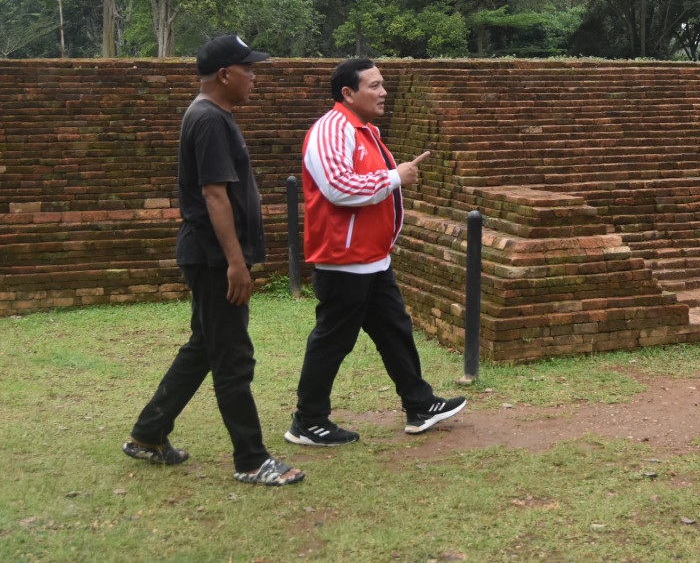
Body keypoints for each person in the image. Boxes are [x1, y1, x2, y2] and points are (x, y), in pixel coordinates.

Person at [122, 35, 304, 487]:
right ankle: (251, 459)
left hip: (208, 255)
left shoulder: (212, 116)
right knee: (233, 357)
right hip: (212, 258)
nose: (254, 77)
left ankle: (148, 434)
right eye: (248, 69)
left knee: (205, 345)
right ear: (225, 74)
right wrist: (235, 262)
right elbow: (213, 194)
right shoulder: (208, 120)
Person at [285, 58, 466, 447]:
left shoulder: (365, 130)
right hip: (343, 259)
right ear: (348, 93)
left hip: (371, 258)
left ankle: (419, 405)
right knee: (333, 340)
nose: (384, 92)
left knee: (394, 331)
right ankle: (308, 420)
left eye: (383, 84)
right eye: (374, 85)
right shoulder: (331, 129)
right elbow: (338, 187)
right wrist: (395, 176)